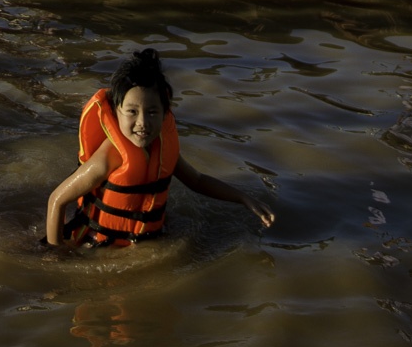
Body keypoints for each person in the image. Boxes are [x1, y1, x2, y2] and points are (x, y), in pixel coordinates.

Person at [45, 48, 274, 247]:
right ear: (116, 113)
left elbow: (197, 181)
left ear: (165, 113)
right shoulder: (108, 157)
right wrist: (55, 252)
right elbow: (57, 200)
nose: (143, 123)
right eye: (132, 112)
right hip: (98, 245)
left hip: (145, 240)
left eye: (152, 112)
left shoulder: (163, 149)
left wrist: (244, 198)